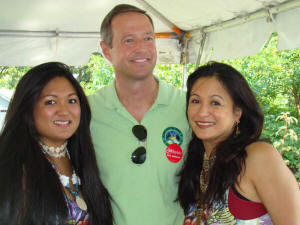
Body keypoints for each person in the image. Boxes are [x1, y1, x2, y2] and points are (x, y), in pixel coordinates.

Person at [88, 4, 191, 225]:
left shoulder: (186, 106)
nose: (142, 48)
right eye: (129, 40)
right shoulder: (87, 112)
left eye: (147, 38)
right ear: (106, 50)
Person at [178, 62, 300, 225]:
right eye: (195, 101)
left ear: (237, 113)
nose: (202, 112)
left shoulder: (257, 157)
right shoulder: (197, 163)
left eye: (215, 103)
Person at [0, 62, 113, 225]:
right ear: (28, 109)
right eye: (51, 102)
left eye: (72, 101)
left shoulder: (83, 160)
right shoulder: (15, 169)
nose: (64, 111)